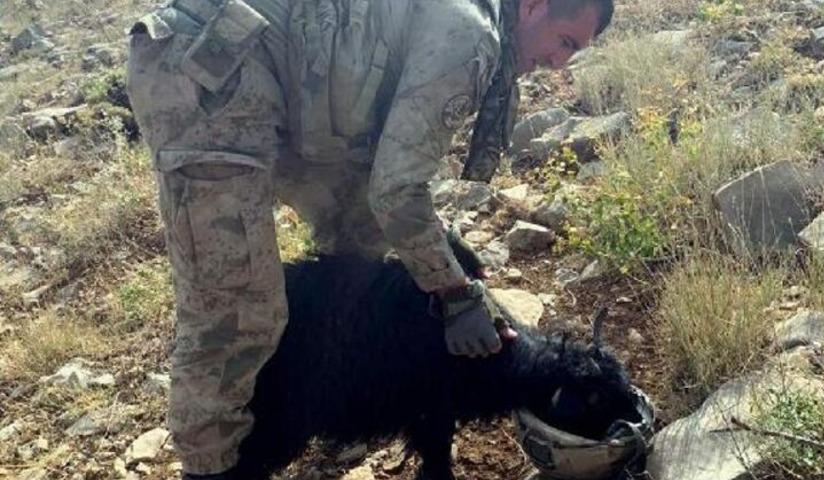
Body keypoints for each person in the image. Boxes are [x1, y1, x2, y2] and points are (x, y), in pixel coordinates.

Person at [125, 0, 614, 478]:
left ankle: (339, 385)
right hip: (209, 69)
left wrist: (451, 264)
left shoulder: (477, 27)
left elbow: (385, 186)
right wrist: (454, 291)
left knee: (359, 240)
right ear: (532, 6)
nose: (558, 63)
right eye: (564, 41)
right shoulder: (473, 36)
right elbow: (398, 191)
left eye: (573, 54)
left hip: (281, 85)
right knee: (237, 305)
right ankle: (214, 467)